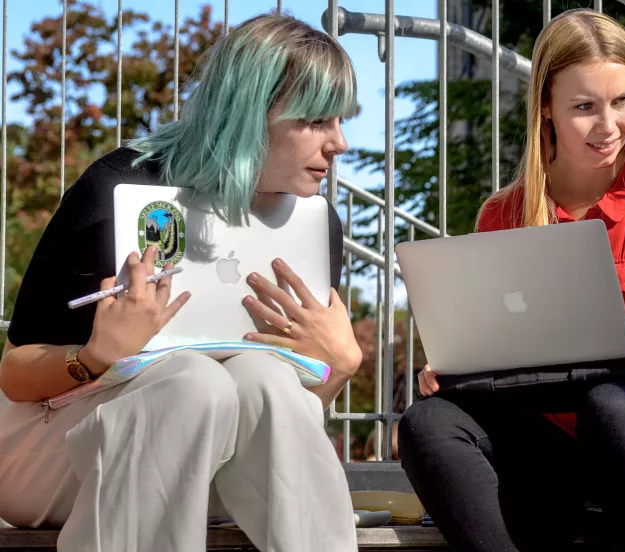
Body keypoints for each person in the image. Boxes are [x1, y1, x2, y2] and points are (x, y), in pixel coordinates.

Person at [397, 9, 625, 552]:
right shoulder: (504, 216)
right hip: (558, 456)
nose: (609, 125)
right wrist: (453, 366)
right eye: (584, 107)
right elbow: (495, 355)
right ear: (545, 105)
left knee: (612, 403)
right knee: (427, 422)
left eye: (622, 101)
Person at [0, 14, 363, 552]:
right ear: (249, 112)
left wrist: (338, 368)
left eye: (341, 120)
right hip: (55, 459)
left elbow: (288, 416)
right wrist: (96, 354)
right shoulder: (120, 188)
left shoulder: (313, 222)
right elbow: (14, 374)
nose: (340, 142)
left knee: (263, 377)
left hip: (216, 474)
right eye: (317, 120)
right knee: (193, 380)